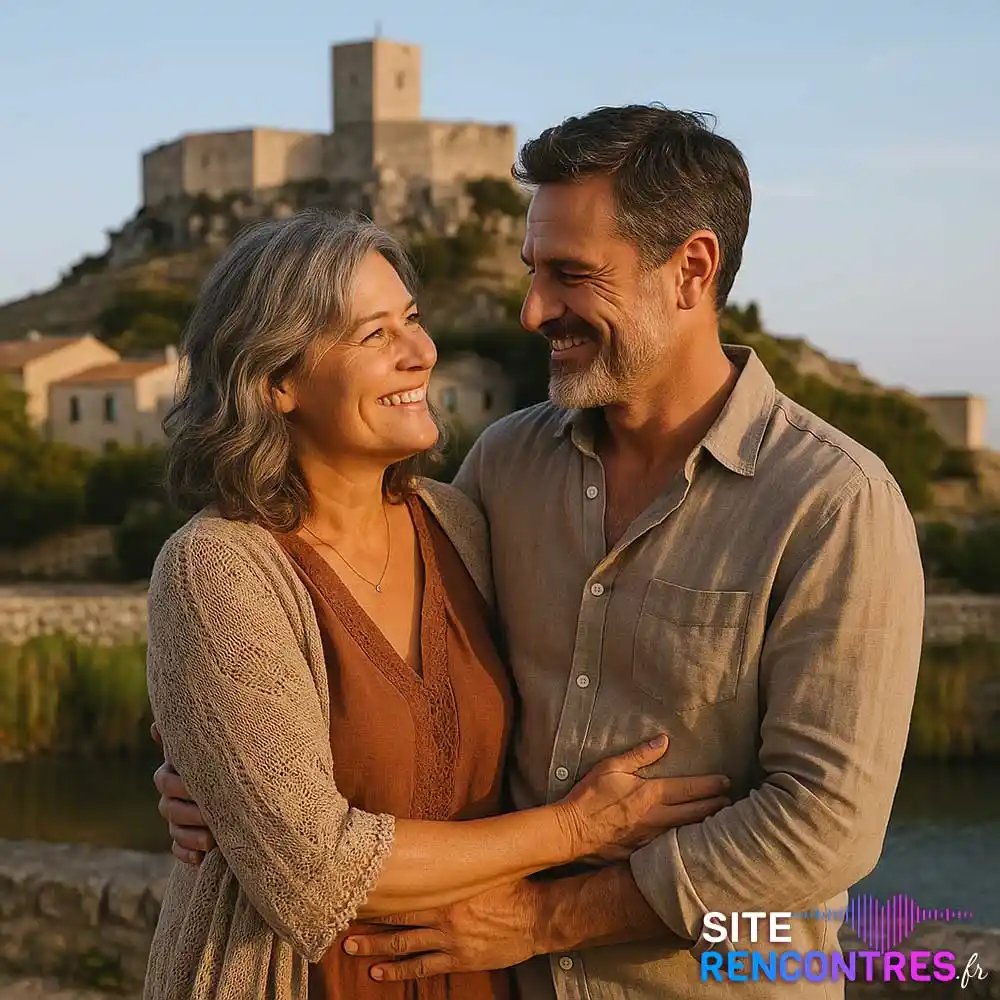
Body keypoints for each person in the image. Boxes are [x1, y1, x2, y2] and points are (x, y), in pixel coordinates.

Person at [158, 106, 925, 999]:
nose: (532, 311)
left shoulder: (833, 503)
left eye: (571, 275)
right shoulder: (503, 472)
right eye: (533, 272)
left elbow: (823, 829)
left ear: (694, 270)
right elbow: (331, 694)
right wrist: (212, 773)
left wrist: (544, 918)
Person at [142, 210, 731, 1000]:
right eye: (374, 335)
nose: (420, 352)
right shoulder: (216, 566)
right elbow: (313, 875)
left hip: (479, 975)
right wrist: (578, 828)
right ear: (277, 381)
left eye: (412, 320)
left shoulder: (460, 520)